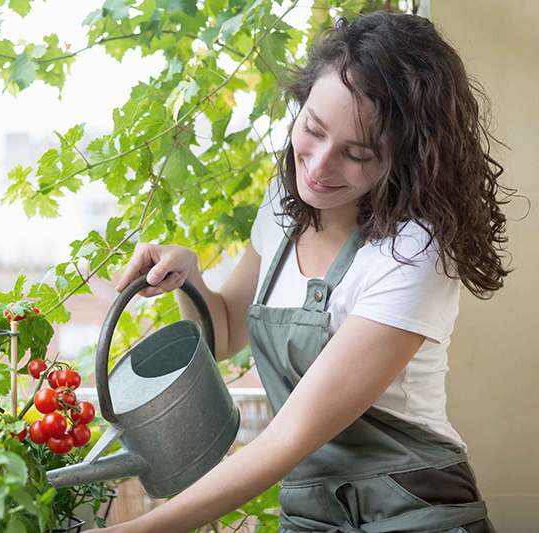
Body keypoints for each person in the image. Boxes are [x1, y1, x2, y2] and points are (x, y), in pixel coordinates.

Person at [93, 10, 514, 533]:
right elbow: (223, 333)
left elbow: (289, 437)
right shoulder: (280, 207)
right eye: (312, 129)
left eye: (357, 154)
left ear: (401, 158)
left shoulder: (414, 252)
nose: (317, 166)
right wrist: (191, 277)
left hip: (413, 511)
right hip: (313, 514)